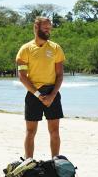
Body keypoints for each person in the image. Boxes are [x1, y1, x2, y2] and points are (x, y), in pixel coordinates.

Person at [16, 17, 65, 159]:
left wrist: (52, 95)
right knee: (30, 132)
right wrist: (38, 95)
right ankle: (28, 162)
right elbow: (22, 76)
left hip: (52, 93)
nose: (48, 31)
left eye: (50, 28)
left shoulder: (56, 48)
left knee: (54, 130)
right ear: (36, 28)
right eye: (45, 28)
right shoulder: (25, 49)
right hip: (33, 94)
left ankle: (56, 161)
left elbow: (60, 75)